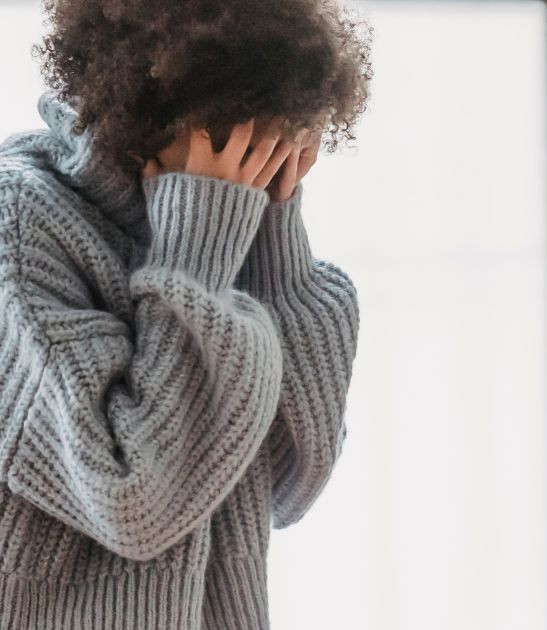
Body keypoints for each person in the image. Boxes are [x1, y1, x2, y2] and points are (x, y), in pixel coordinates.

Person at [0, 0, 371, 627]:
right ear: (166, 103)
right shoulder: (21, 222)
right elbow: (132, 496)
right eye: (249, 128)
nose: (267, 148)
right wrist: (198, 240)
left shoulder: (226, 218)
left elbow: (291, 481)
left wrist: (273, 231)